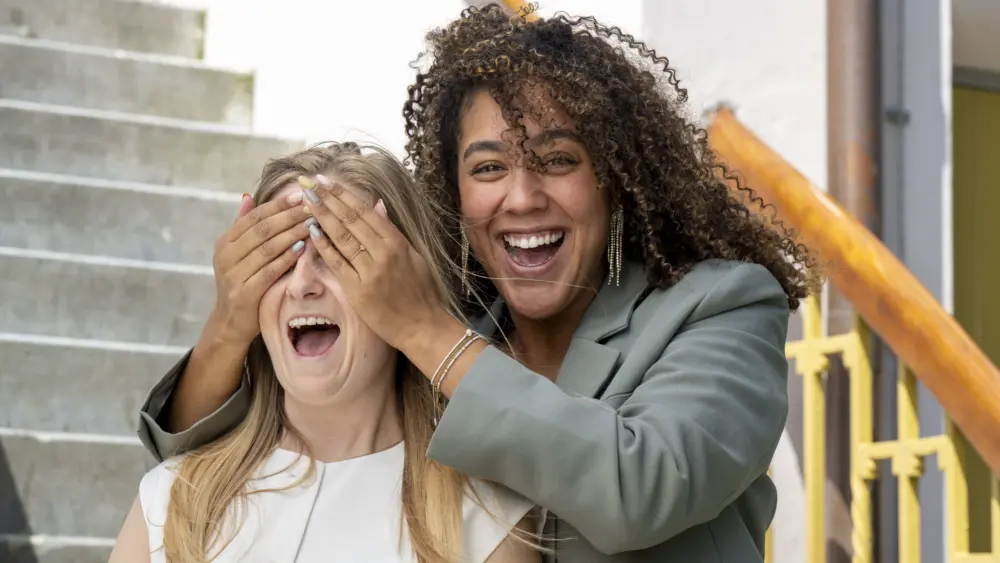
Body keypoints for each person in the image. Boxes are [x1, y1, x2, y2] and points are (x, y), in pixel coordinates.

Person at [135, 5, 815, 562]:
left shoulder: (722, 304)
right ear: (454, 191)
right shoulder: (461, 313)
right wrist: (230, 322)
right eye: (488, 168)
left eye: (557, 159)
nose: (522, 197)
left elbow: (641, 490)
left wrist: (425, 329)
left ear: (615, 177)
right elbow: (212, 453)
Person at [111, 143, 540, 563]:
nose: (301, 285)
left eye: (339, 254)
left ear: (405, 286)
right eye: (280, 259)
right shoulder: (166, 502)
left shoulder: (488, 525)